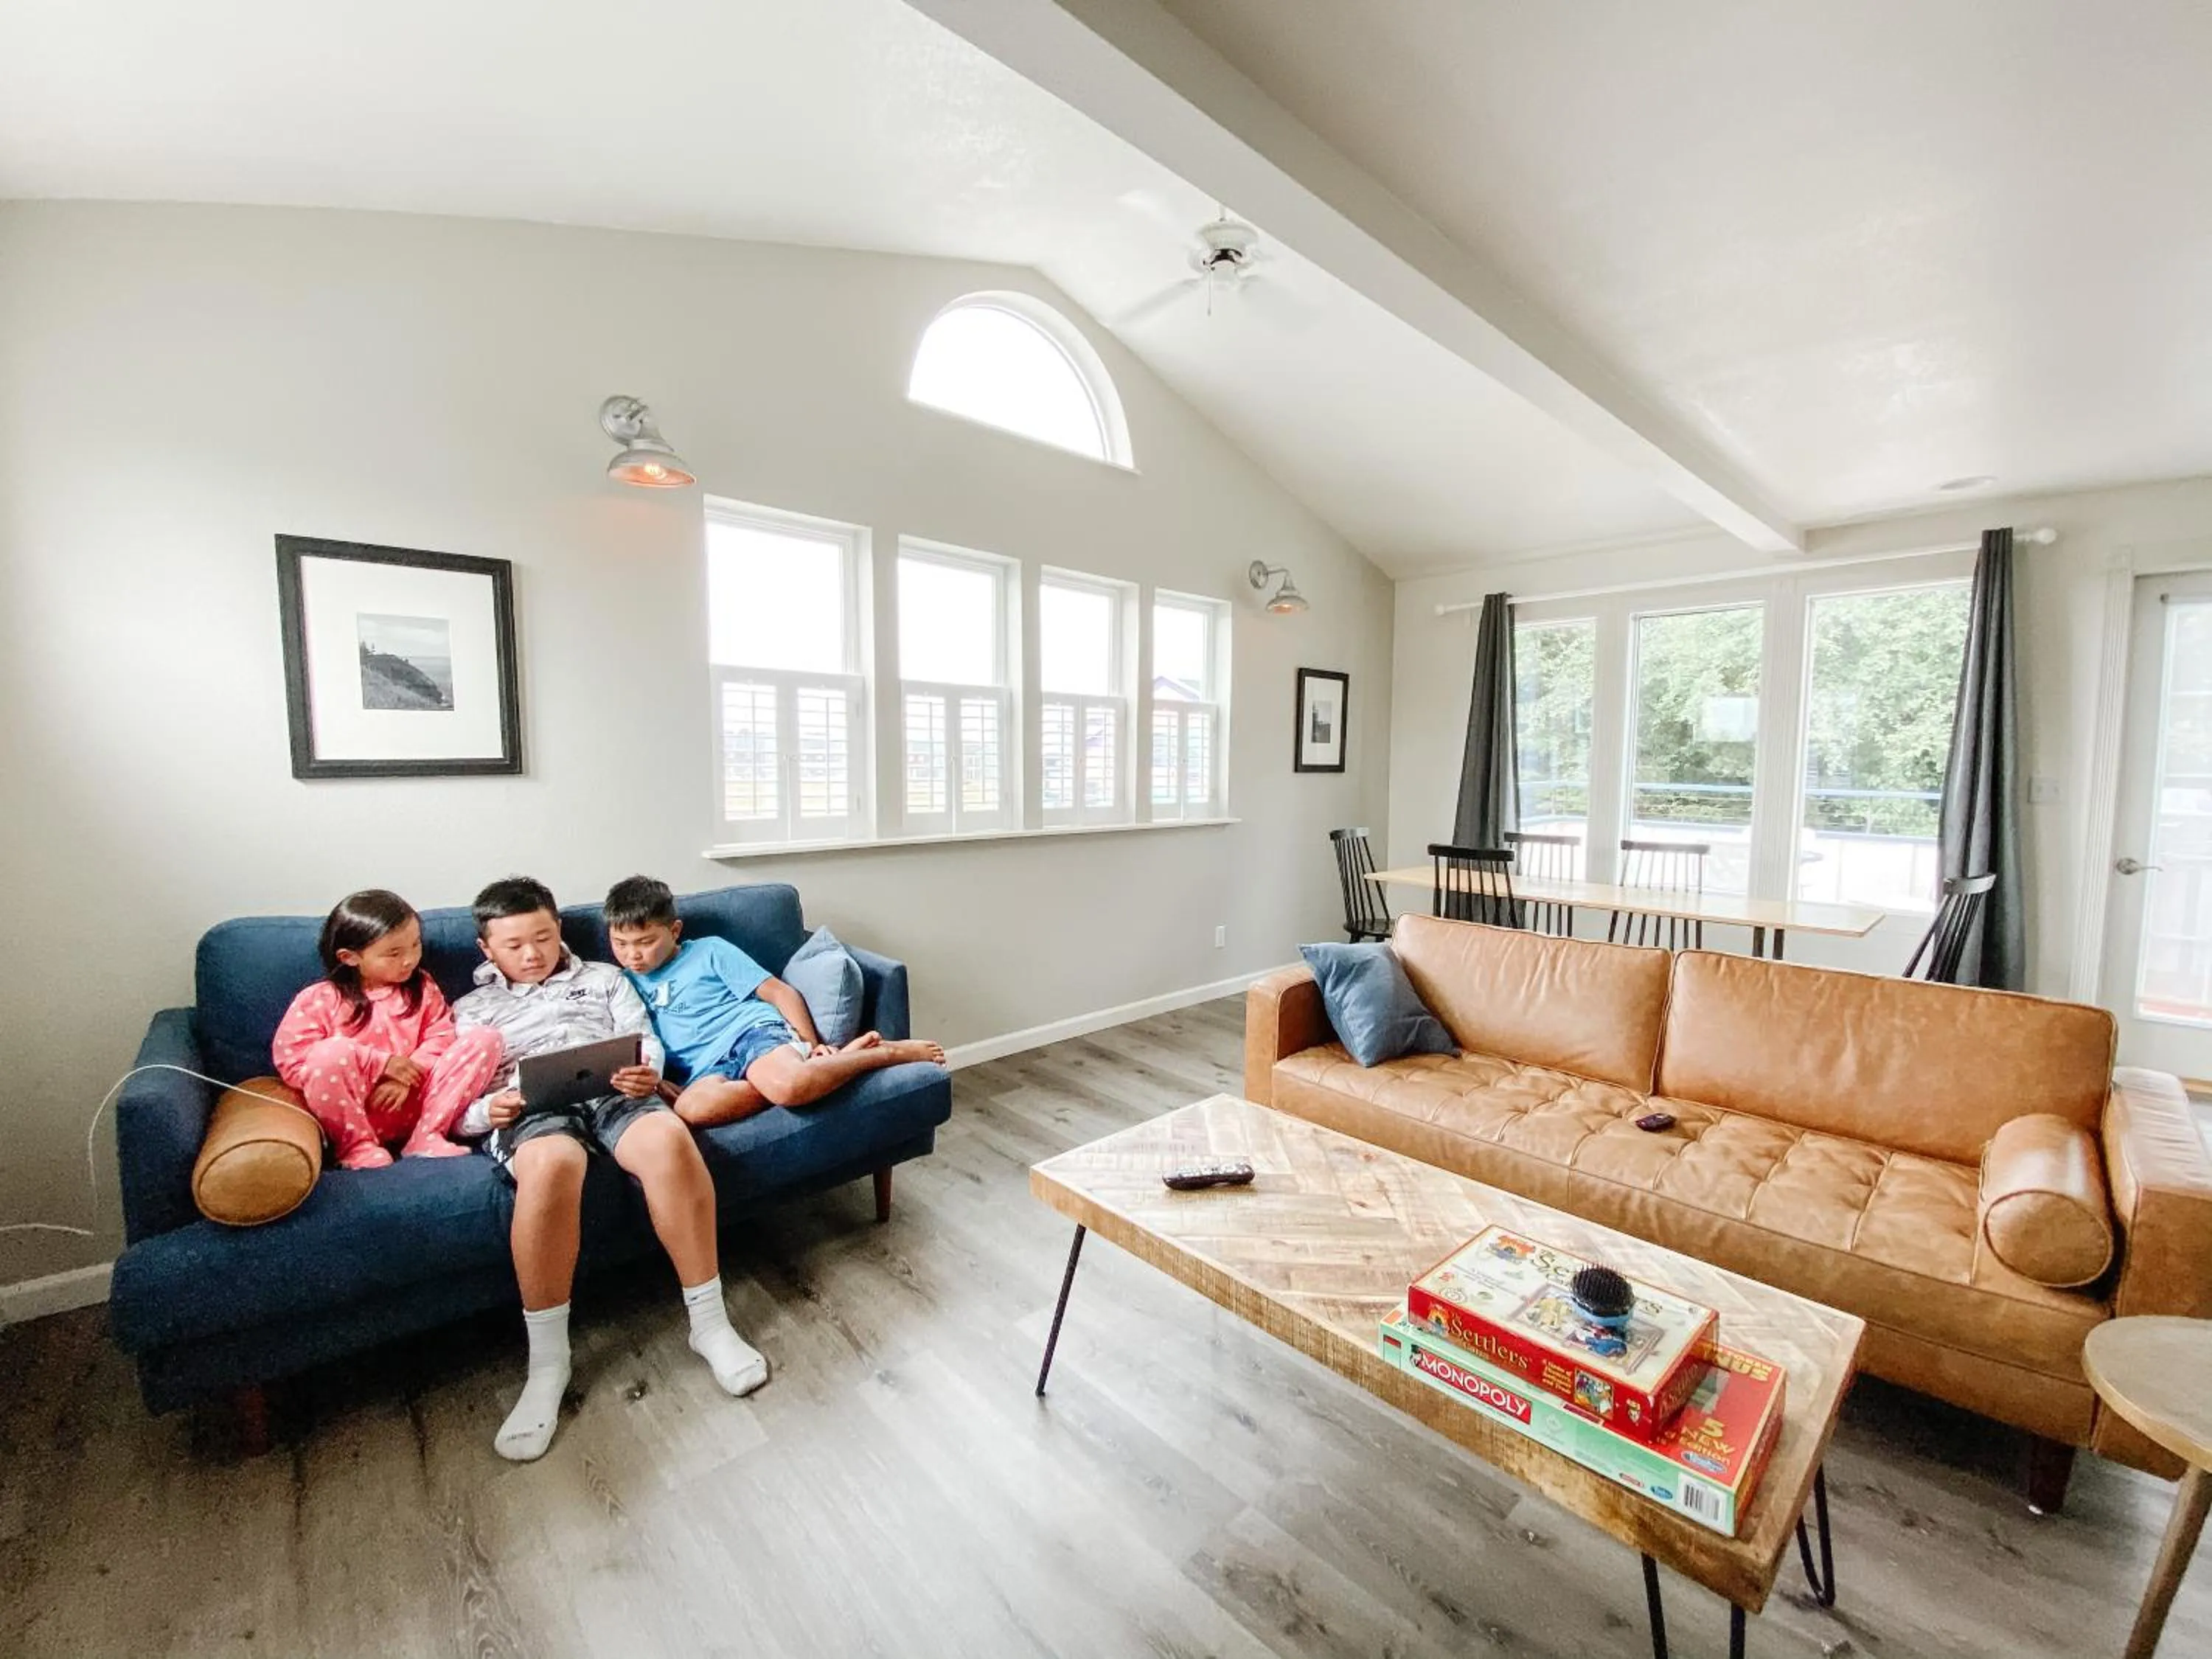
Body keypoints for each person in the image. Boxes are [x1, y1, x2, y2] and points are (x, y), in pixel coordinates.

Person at [452, 876, 769, 1463]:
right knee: (553, 1164)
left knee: (669, 1140)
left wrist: (647, 1072)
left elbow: (643, 1040)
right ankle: (548, 1364)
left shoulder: (604, 977)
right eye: (515, 945)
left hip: (614, 1091)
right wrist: (482, 1113)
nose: (533, 954)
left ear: (559, 931)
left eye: (544, 938)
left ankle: (709, 1324)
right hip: (530, 1110)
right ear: (486, 948)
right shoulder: (470, 1011)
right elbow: (451, 1096)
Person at [602, 875, 947, 1130]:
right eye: (620, 944)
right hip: (704, 1070)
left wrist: (812, 1046)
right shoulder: (620, 983)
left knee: (789, 1086)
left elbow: (781, 993)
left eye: (645, 942)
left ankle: (884, 1055)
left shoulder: (709, 951)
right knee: (691, 1109)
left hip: (751, 1035)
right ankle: (835, 1066)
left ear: (675, 931)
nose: (633, 955)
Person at [273, 889, 504, 1169]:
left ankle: (427, 1135)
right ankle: (357, 1148)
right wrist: (381, 1065)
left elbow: (441, 1036)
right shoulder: (320, 999)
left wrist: (406, 1077)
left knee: (485, 1038)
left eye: (416, 945)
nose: (410, 959)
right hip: (358, 1110)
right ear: (349, 957)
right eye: (394, 953)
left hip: (420, 1102)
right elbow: (293, 1061)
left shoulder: (422, 987)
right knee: (329, 1053)